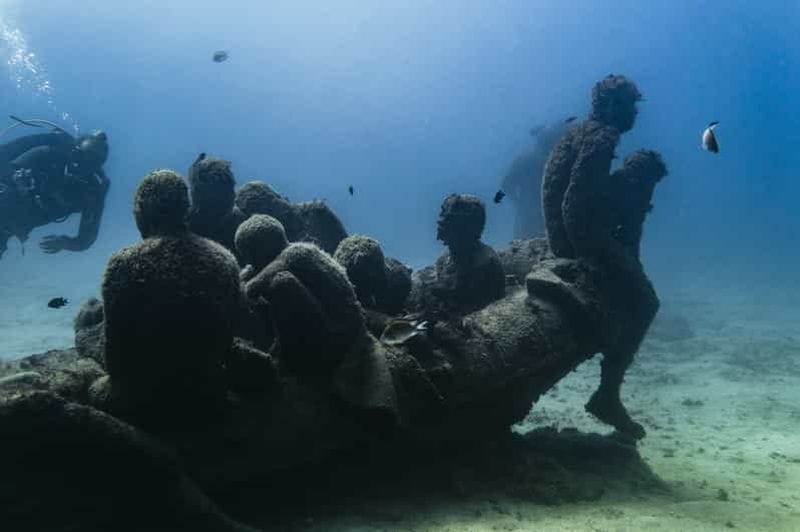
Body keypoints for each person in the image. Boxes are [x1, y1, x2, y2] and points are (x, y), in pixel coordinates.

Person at [0, 123, 110, 260]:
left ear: (95, 169)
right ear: (73, 151)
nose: (78, 166)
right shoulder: (48, 154)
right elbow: (5, 166)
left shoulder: (90, 193)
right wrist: (16, 180)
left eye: (89, 164)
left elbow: (86, 238)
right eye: (79, 157)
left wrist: (65, 243)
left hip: (15, 224)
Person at [500, 120, 569, 239]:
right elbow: (506, 185)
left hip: (529, 216)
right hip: (546, 215)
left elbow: (506, 185)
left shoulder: (523, 159)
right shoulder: (559, 159)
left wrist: (519, 204)